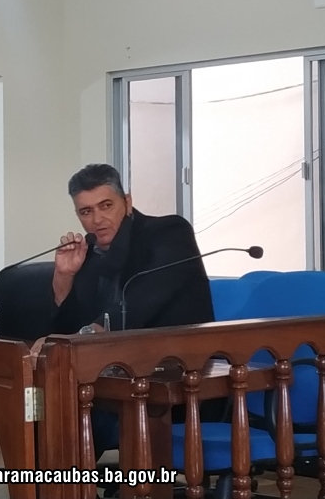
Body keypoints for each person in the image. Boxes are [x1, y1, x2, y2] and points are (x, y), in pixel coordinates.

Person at [31, 163, 215, 460]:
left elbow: (142, 301)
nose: (97, 220)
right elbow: (70, 325)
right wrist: (64, 276)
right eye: (86, 211)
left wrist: (82, 336)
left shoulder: (169, 232)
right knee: (45, 404)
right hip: (111, 378)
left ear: (127, 202)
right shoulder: (89, 251)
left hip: (178, 379)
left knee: (73, 409)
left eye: (106, 206)